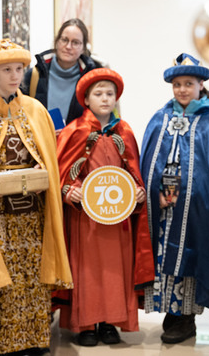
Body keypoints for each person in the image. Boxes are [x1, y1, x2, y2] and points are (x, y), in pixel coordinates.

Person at [0, 39, 72, 355]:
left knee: (34, 277)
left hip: (33, 211)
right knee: (6, 280)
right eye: (7, 70)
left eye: (19, 69)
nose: (15, 75)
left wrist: (39, 169)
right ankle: (8, 344)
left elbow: (49, 157)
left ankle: (35, 341)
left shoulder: (35, 110)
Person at [56, 68, 154, 346]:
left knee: (115, 271)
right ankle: (86, 323)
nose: (104, 99)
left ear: (116, 98)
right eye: (98, 94)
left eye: (109, 94)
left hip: (117, 219)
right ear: (86, 99)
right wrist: (69, 191)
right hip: (86, 218)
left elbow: (134, 171)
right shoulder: (75, 131)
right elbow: (63, 172)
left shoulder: (124, 132)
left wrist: (137, 192)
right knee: (87, 270)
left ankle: (110, 322)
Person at [140, 53, 209, 344]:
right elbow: (148, 162)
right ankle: (170, 313)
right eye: (177, 84)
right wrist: (156, 192)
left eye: (188, 83)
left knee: (191, 255)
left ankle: (186, 317)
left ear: (201, 84)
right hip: (164, 209)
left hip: (196, 210)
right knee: (165, 258)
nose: (182, 90)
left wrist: (190, 193)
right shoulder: (159, 119)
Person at [20, 18, 101, 127]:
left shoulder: (92, 79)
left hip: (78, 143)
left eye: (75, 42)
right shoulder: (35, 75)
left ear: (83, 48)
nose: (68, 47)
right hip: (42, 142)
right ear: (57, 41)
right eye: (64, 40)